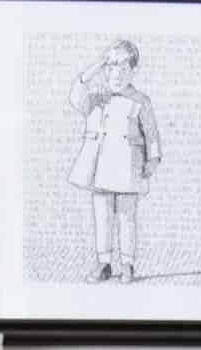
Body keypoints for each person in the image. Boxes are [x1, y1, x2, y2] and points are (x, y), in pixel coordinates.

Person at [67, 40, 161, 284]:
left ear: (133, 71)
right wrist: (94, 68)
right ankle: (104, 262)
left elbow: (151, 134)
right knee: (102, 217)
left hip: (129, 167)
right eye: (111, 68)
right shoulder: (97, 99)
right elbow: (76, 96)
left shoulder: (142, 101)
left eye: (123, 68)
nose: (116, 74)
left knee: (127, 218)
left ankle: (128, 263)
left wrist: (152, 160)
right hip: (100, 169)